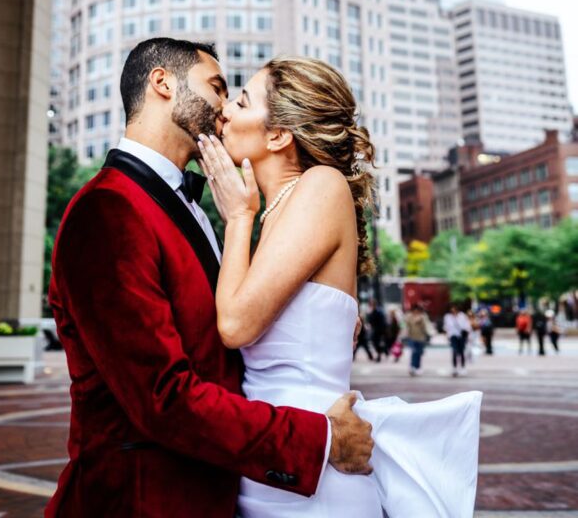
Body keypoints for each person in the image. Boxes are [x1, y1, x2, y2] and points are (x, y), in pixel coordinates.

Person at [46, 39, 373, 517]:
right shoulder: (108, 209)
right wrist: (315, 438)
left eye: (237, 98)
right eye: (219, 89)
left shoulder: (213, 208)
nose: (224, 107)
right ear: (162, 83)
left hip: (237, 484)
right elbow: (161, 397)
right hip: (143, 500)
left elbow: (223, 338)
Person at [199, 56, 481, 516]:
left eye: (243, 101)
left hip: (321, 471)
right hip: (275, 457)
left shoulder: (320, 186)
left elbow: (234, 324)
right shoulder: (276, 210)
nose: (226, 110)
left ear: (279, 134)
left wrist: (237, 217)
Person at [403, 302, 429, 376]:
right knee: (414, 352)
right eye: (415, 310)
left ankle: (418, 367)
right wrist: (405, 331)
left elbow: (426, 326)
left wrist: (421, 321)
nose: (416, 312)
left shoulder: (423, 317)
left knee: (419, 353)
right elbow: (404, 324)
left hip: (421, 337)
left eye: (418, 310)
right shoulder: (409, 316)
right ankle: (412, 367)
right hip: (411, 337)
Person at [444, 304, 466, 376]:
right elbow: (446, 327)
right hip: (453, 335)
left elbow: (464, 326)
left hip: (461, 335)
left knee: (461, 351)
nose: (453, 311)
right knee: (454, 351)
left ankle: (462, 367)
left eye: (454, 309)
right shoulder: (448, 317)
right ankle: (454, 367)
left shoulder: (462, 316)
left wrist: (456, 319)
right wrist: (447, 335)